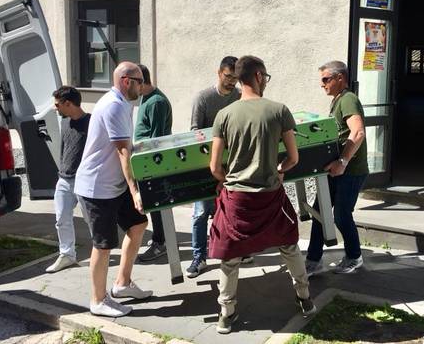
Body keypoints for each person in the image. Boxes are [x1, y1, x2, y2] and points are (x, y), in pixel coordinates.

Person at [209, 55, 316, 334]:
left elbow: (214, 166)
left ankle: (226, 314)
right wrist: (279, 171)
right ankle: (304, 298)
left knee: (230, 259)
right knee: (289, 245)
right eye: (265, 77)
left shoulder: (224, 115)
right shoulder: (279, 110)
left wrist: (226, 181)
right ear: (258, 76)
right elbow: (293, 158)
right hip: (269, 196)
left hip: (237, 200)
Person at [74, 62, 152, 318]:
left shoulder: (122, 103)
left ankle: (122, 284)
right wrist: (135, 191)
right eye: (140, 81)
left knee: (138, 224)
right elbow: (122, 152)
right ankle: (98, 300)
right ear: (126, 81)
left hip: (113, 185)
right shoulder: (115, 105)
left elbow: (127, 146)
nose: (143, 86)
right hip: (97, 188)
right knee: (104, 244)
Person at [187, 56, 254, 278]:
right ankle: (199, 257)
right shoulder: (203, 98)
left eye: (235, 78)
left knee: (230, 210)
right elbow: (195, 132)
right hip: (207, 164)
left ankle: (235, 250)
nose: (231, 82)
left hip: (233, 164)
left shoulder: (238, 96)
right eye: (227, 77)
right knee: (200, 213)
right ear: (219, 73)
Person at [305, 60, 368, 276]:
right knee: (320, 211)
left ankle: (354, 257)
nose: (322, 84)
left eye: (325, 79)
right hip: (335, 169)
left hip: (351, 171)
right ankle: (313, 261)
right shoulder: (338, 100)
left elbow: (358, 132)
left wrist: (343, 162)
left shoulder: (348, 99)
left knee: (341, 215)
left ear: (340, 78)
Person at [46, 86, 91, 273]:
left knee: (92, 220)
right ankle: (67, 255)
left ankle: (100, 252)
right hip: (64, 179)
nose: (55, 108)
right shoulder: (64, 122)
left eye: (57, 104)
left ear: (68, 103)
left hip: (85, 181)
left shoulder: (92, 122)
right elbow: (64, 149)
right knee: (61, 219)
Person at [134, 64, 173, 262]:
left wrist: (149, 164)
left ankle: (161, 243)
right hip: (144, 159)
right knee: (152, 203)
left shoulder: (156, 102)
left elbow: (156, 139)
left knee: (156, 203)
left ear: (141, 81)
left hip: (152, 161)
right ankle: (160, 238)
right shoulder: (145, 98)